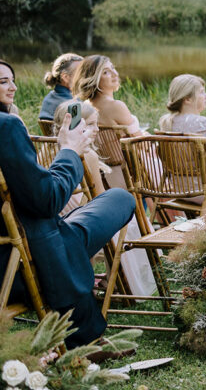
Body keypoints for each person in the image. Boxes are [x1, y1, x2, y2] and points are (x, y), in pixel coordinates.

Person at [0, 60, 136, 359]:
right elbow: (47, 200)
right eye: (2, 82)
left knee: (79, 222)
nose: (12, 87)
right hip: (26, 261)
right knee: (120, 200)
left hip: (16, 251)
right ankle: (85, 341)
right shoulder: (5, 127)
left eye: (11, 80)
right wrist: (69, 150)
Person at [72, 55, 157, 296]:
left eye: (113, 69)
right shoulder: (116, 106)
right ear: (96, 79)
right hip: (124, 172)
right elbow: (137, 139)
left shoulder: (80, 108)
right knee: (158, 160)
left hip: (99, 175)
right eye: (107, 72)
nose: (114, 74)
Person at [39, 53, 83, 121]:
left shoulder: (49, 98)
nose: (85, 76)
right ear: (65, 77)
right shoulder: (73, 105)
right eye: (81, 72)